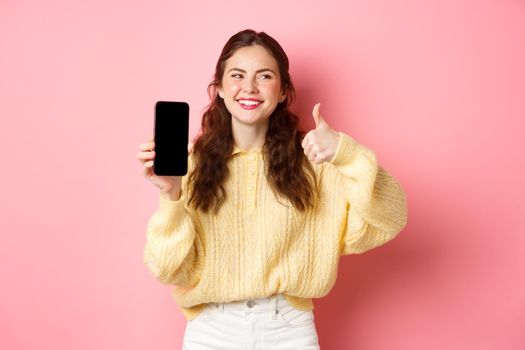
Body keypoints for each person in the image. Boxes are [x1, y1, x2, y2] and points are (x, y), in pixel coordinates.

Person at [137, 29, 407, 350]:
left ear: (282, 92)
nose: (249, 87)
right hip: (211, 331)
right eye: (237, 75)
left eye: (264, 76)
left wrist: (346, 154)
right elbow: (167, 269)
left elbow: (390, 217)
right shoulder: (189, 166)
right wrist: (171, 196)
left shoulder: (315, 161)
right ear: (220, 88)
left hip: (289, 330)